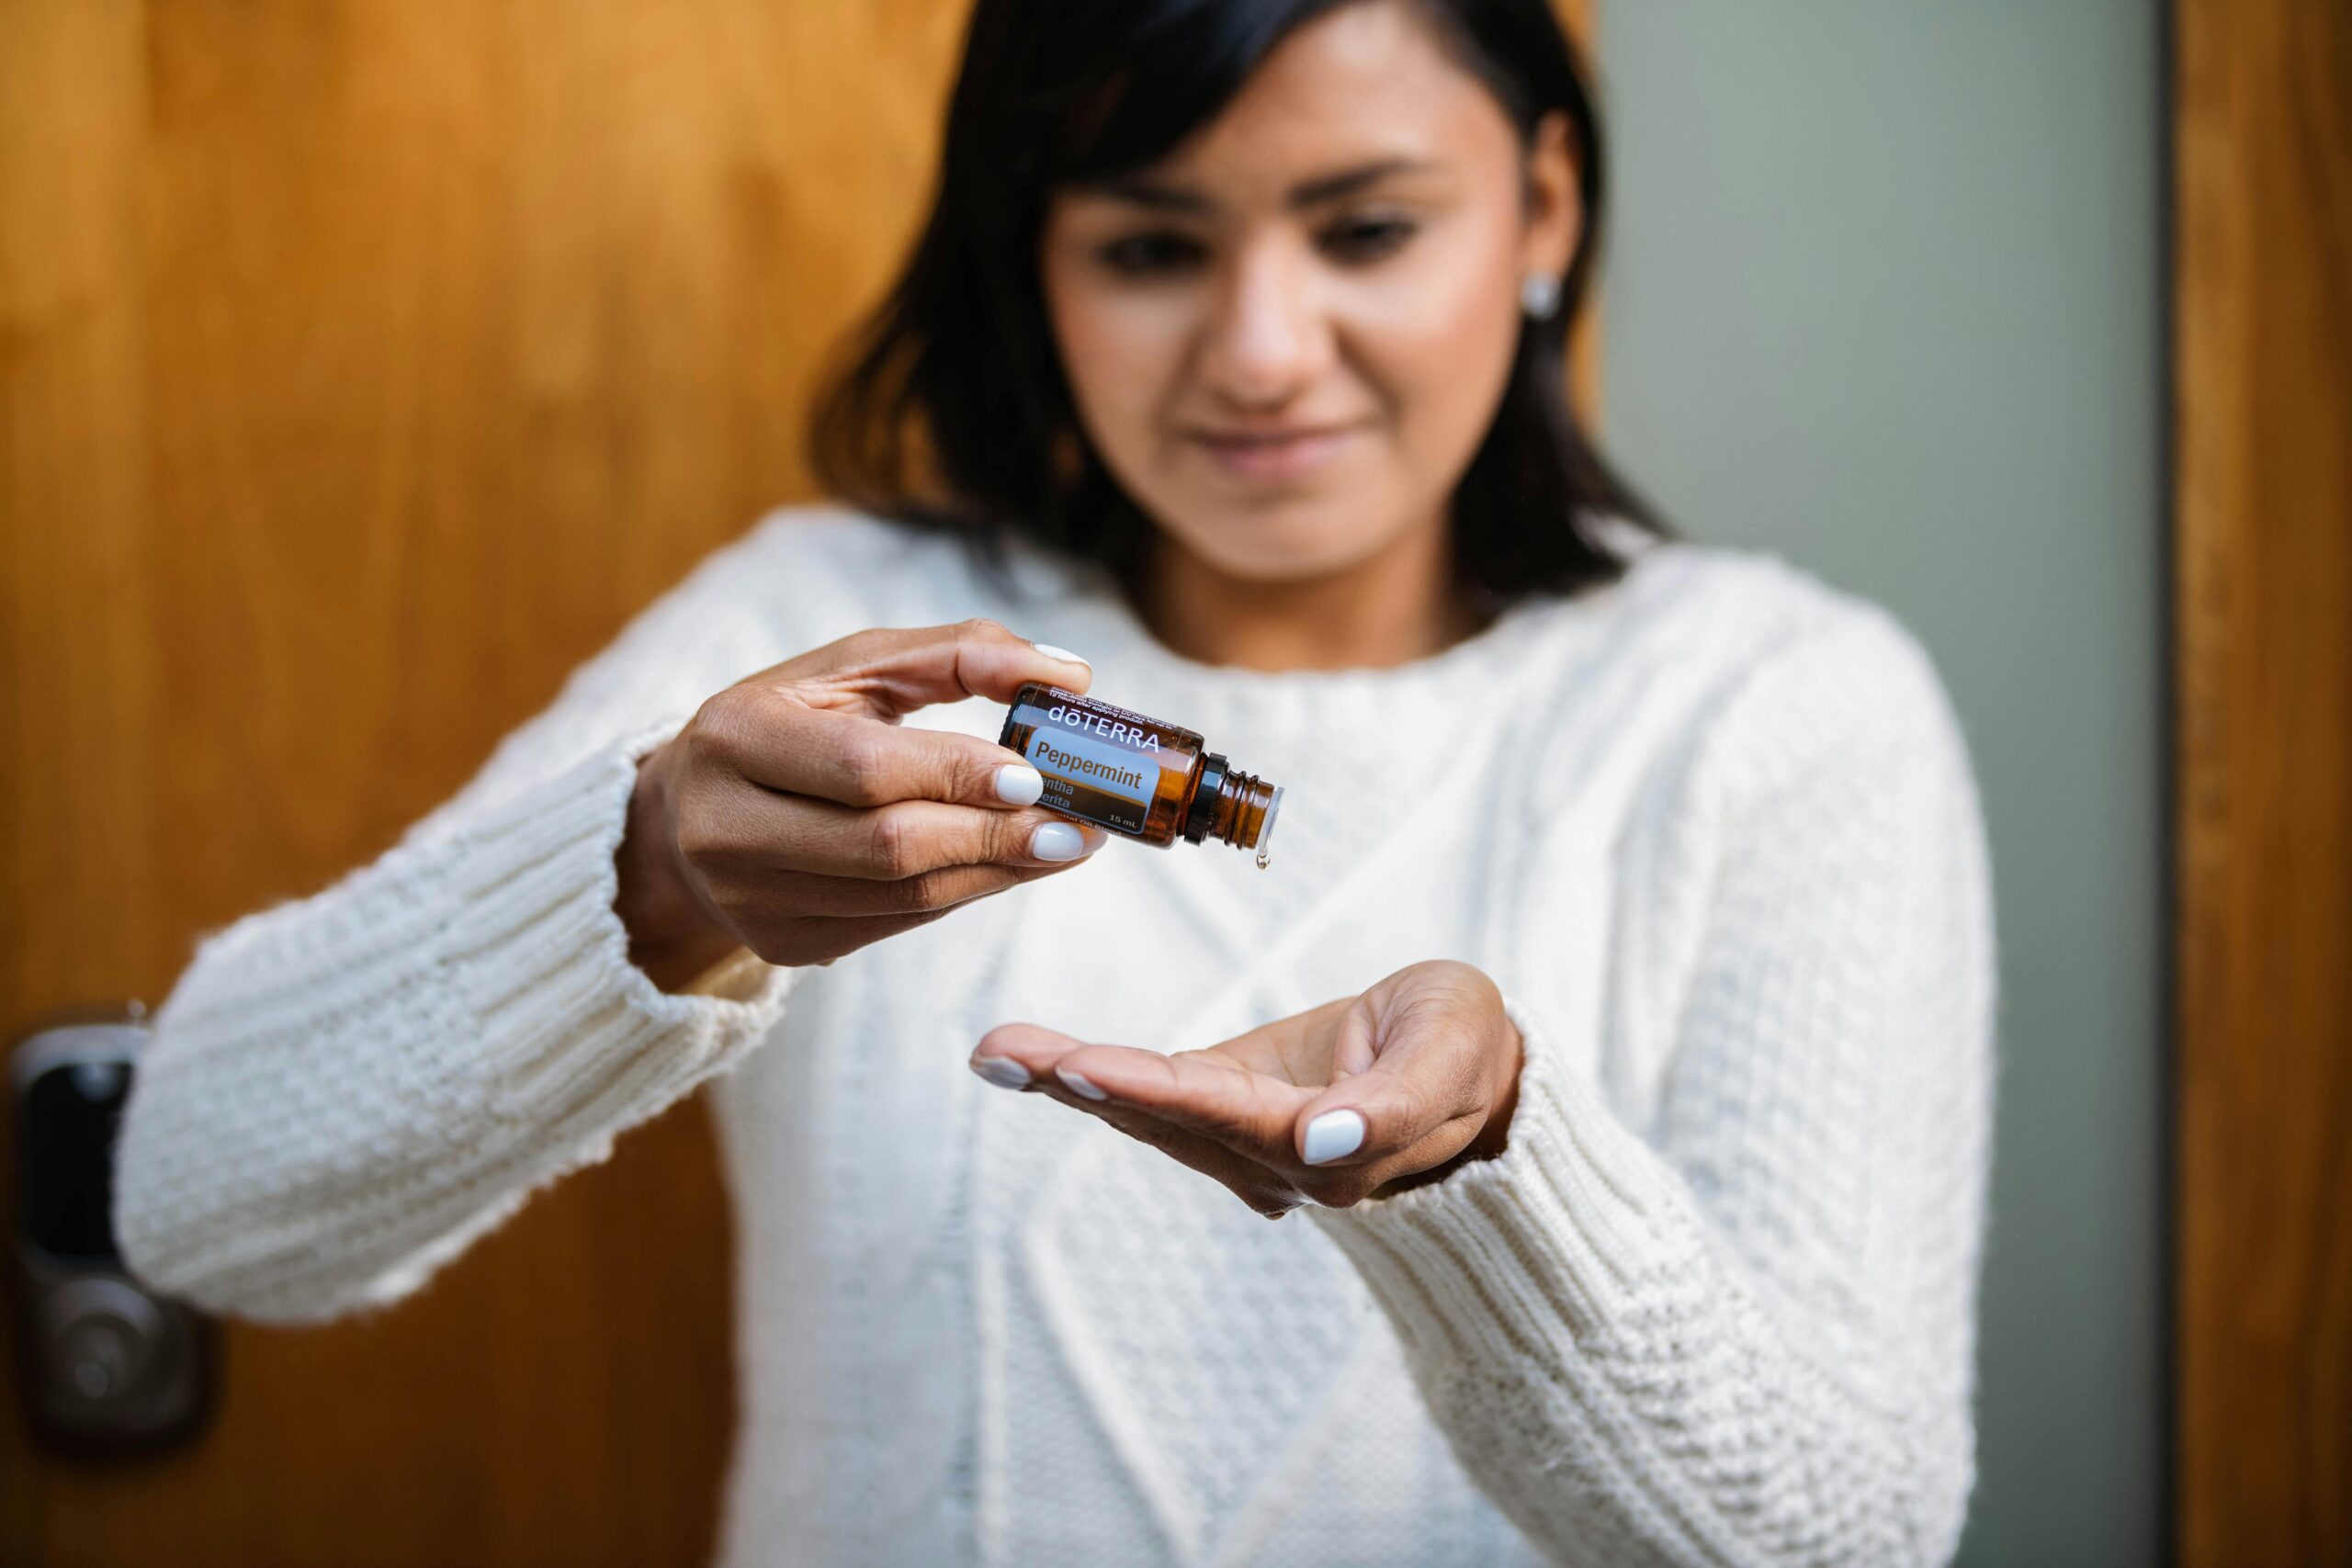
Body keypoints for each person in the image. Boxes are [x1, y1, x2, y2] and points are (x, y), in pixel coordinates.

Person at [112, 0, 1996, 1563]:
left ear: (1541, 209)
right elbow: (198, 1198)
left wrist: (1489, 1164)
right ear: (1037, 255)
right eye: (1150, 246)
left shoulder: (1775, 711)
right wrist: (649, 878)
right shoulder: (827, 632)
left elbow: (1844, 1534)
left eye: (1363, 230)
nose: (1262, 354)